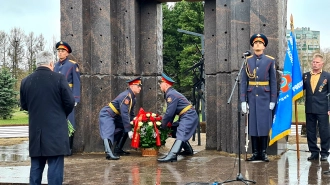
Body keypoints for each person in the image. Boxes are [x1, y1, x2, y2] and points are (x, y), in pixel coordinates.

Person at [20, 51, 75, 185]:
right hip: (55, 131)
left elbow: (24, 105)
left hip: (36, 132)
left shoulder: (26, 81)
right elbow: (70, 102)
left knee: (36, 167)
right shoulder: (59, 78)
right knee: (55, 167)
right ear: (51, 63)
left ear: (37, 63)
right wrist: (61, 115)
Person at [240, 33, 277, 162]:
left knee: (264, 125)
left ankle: (263, 153)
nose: (258, 45)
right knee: (253, 126)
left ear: (264, 46)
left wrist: (273, 100)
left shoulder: (270, 60)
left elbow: (273, 81)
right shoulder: (247, 60)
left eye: (260, 43)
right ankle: (255, 153)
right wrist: (243, 101)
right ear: (252, 45)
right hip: (251, 97)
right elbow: (243, 82)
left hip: (265, 97)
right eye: (255, 43)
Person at [157, 73, 199, 162]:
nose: (160, 85)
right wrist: (169, 125)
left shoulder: (171, 94)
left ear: (166, 84)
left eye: (161, 83)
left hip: (188, 115)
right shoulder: (171, 93)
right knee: (174, 129)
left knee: (181, 132)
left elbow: (169, 113)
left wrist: (163, 125)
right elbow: (172, 113)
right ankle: (188, 150)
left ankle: (172, 155)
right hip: (186, 115)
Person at [99, 77, 142, 160]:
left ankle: (118, 149)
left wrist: (135, 120)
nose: (140, 88)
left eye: (140, 86)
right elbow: (125, 113)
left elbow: (131, 114)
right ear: (132, 86)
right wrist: (129, 130)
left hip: (116, 116)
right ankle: (108, 153)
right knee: (108, 131)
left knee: (126, 126)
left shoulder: (133, 98)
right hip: (107, 114)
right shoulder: (126, 97)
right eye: (138, 86)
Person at [54, 41, 81, 155]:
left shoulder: (72, 65)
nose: (60, 53)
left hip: (68, 97)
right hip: (56, 98)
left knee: (69, 122)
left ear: (67, 53)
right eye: (59, 51)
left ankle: (68, 148)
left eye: (62, 51)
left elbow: (77, 83)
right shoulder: (55, 65)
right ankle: (58, 147)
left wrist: (75, 99)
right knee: (57, 122)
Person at [303, 53, 330, 161]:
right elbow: (300, 89)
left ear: (322, 64)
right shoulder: (306, 75)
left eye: (317, 62)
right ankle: (314, 152)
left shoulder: (327, 76)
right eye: (313, 62)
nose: (314, 64)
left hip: (323, 108)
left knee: (324, 131)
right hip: (309, 107)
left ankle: (324, 152)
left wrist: (329, 108)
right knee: (310, 131)